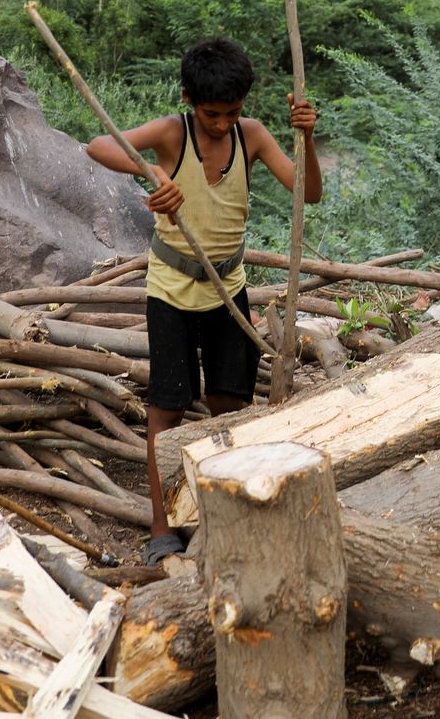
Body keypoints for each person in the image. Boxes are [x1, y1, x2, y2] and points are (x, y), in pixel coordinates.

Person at [85, 36, 321, 565]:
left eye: (232, 113)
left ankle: (226, 506)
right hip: (170, 289)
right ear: (190, 100)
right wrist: (152, 173)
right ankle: (161, 525)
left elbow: (308, 193)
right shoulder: (172, 133)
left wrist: (306, 138)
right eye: (212, 114)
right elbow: (99, 145)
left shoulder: (252, 136)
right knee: (166, 407)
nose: (221, 124)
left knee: (229, 405)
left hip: (228, 291)